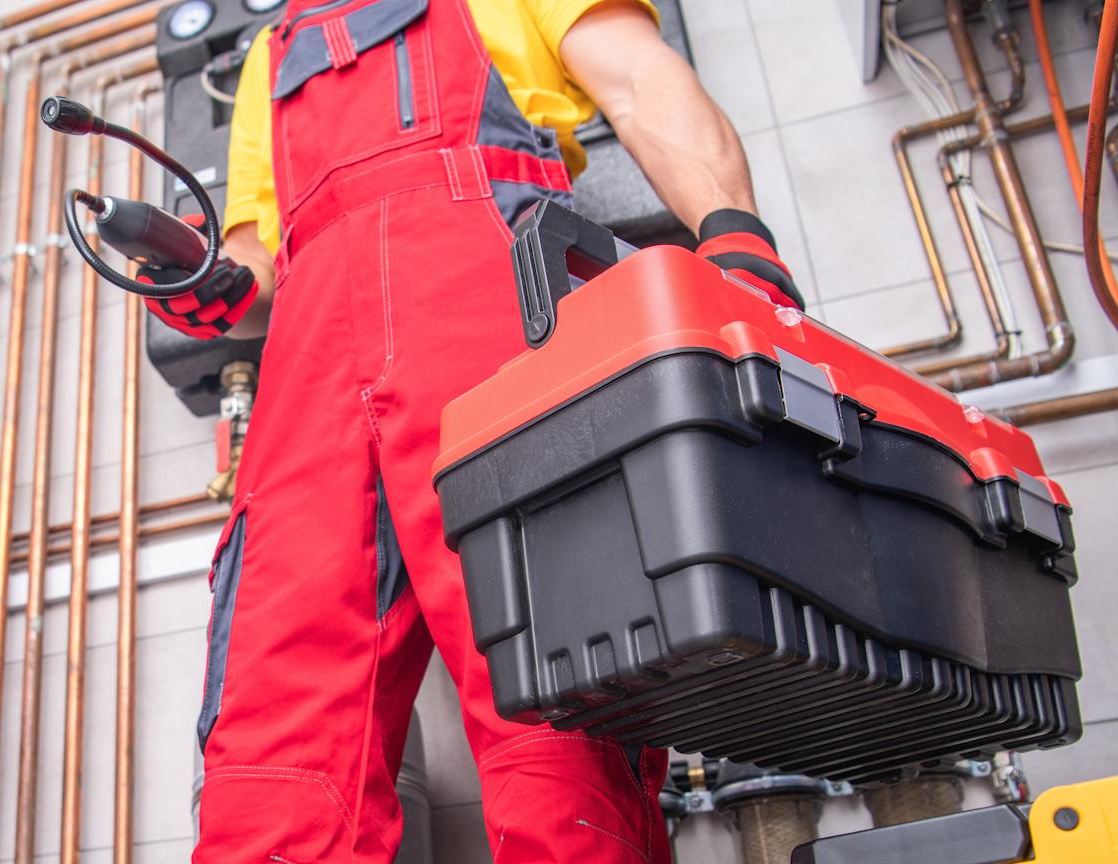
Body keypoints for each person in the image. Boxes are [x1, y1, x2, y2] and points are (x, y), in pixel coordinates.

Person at [146, 1, 804, 860]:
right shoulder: (274, 47)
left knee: (557, 708)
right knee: (275, 734)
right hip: (309, 367)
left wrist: (734, 234)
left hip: (494, 308)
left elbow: (640, 82)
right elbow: (261, 264)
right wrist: (215, 284)